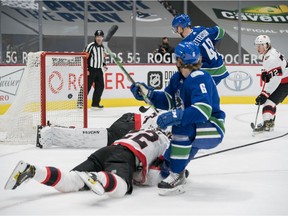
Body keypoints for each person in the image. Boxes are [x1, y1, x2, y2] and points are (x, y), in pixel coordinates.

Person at [130, 41, 225, 195]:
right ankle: (176, 171)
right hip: (193, 127)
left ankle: (177, 176)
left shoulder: (200, 77)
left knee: (181, 126)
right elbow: (168, 100)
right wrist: (150, 94)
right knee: (165, 167)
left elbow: (203, 111)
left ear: (179, 61)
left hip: (213, 127)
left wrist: (177, 115)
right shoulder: (177, 78)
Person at [5, 128, 170, 199]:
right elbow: (154, 175)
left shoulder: (138, 130)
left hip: (106, 150)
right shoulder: (164, 143)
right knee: (120, 188)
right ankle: (98, 177)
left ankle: (33, 171)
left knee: (71, 180)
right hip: (125, 156)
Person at [36, 112, 153, 149]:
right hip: (134, 126)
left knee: (106, 135)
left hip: (131, 119)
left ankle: (55, 131)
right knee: (106, 137)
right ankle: (52, 134)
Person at [171, 14, 229, 85]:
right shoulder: (199, 29)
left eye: (175, 29)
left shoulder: (187, 44)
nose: (176, 32)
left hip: (210, 73)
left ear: (180, 28)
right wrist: (211, 44)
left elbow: (190, 64)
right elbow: (221, 31)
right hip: (220, 67)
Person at [253, 35, 288, 132]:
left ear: (267, 45)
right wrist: (265, 72)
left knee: (268, 103)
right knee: (271, 102)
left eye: (261, 45)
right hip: (284, 79)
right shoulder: (269, 52)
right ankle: (269, 122)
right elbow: (273, 70)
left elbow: (275, 80)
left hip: (284, 82)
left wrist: (264, 94)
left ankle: (267, 125)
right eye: (257, 45)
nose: (258, 48)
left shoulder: (271, 58)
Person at [78, 30, 108, 109]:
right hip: (90, 69)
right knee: (86, 86)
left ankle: (95, 104)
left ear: (102, 37)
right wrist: (86, 69)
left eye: (100, 36)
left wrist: (104, 65)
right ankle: (80, 103)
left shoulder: (103, 47)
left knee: (100, 86)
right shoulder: (90, 46)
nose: (99, 38)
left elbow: (102, 57)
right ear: (95, 37)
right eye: (97, 37)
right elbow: (84, 58)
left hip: (99, 69)